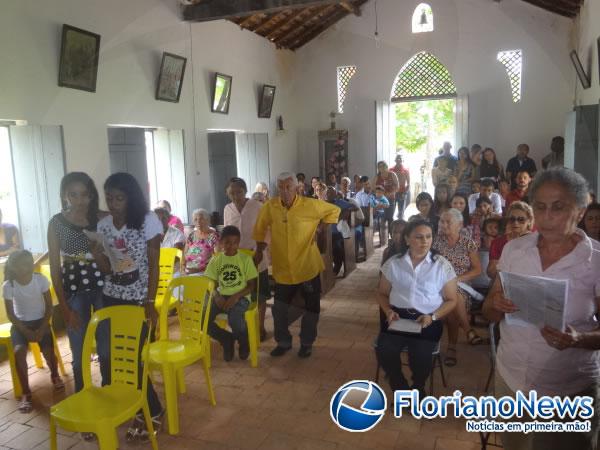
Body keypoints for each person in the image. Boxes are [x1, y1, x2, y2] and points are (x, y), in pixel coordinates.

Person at [482, 167, 600, 450]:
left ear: (580, 211)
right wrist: (496, 304)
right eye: (541, 207)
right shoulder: (514, 250)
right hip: (511, 377)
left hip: (567, 387)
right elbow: (488, 311)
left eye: (558, 208)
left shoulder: (595, 261)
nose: (547, 218)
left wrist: (579, 339)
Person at [95, 172, 164, 438]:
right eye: (109, 198)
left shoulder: (147, 221)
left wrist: (149, 301)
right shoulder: (104, 225)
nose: (113, 204)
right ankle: (130, 408)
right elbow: (106, 269)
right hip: (111, 296)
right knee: (110, 359)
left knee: (132, 360)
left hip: (137, 300)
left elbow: (154, 264)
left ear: (131, 198)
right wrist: (96, 252)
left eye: (119, 198)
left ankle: (152, 410)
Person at [253, 172, 340, 358]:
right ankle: (283, 342)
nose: (284, 191)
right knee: (279, 309)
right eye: (281, 188)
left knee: (312, 308)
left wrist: (321, 228)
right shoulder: (270, 206)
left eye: (288, 187)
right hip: (283, 268)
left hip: (307, 266)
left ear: (296, 188)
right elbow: (260, 229)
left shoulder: (310, 205)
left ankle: (307, 342)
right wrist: (259, 250)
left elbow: (334, 211)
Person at [375, 220, 458, 396]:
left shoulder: (441, 265)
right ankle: (400, 387)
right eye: (418, 237)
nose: (424, 241)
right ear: (407, 239)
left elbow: (451, 300)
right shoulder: (394, 263)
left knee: (420, 355)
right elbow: (382, 294)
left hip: (427, 319)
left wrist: (433, 316)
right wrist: (388, 311)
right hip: (397, 316)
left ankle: (418, 387)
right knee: (385, 350)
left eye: (428, 237)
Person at [47, 172, 108, 399]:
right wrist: (64, 308)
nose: (79, 200)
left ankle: (109, 397)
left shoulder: (103, 219)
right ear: (65, 196)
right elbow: (55, 268)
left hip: (103, 286)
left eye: (84, 194)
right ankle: (83, 402)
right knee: (79, 350)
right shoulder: (56, 223)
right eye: (73, 195)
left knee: (106, 349)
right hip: (74, 290)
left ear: (91, 195)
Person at [3, 250, 64, 413]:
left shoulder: (40, 280)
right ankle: (26, 392)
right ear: (14, 268)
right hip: (20, 325)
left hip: (41, 321)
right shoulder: (9, 285)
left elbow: (50, 307)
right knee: (18, 351)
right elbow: (11, 314)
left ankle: (54, 375)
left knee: (48, 351)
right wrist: (25, 331)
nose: (30, 266)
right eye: (24, 264)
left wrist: (43, 327)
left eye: (30, 262)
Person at [433, 209, 484, 366]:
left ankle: (452, 346)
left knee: (453, 299)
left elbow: (477, 269)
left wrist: (456, 279)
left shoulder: (468, 243)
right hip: (437, 285)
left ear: (460, 225)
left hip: (461, 284)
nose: (444, 225)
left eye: (448, 222)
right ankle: (467, 331)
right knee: (452, 299)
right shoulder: (435, 241)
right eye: (442, 221)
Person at [223, 177, 270, 341]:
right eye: (232, 193)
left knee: (260, 293)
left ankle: (260, 327)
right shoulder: (227, 209)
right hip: (237, 259)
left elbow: (266, 230)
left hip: (256, 255)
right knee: (241, 294)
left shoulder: (257, 206)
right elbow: (227, 233)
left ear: (245, 191)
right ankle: (243, 327)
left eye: (239, 192)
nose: (236, 196)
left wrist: (259, 250)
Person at [204, 226, 257, 361]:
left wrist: (235, 297)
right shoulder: (216, 260)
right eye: (227, 242)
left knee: (234, 319)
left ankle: (244, 341)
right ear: (221, 242)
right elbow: (209, 282)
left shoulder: (245, 259)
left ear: (238, 243)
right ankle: (226, 339)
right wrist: (216, 295)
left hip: (241, 296)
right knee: (202, 320)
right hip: (221, 296)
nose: (231, 246)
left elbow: (252, 285)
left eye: (235, 243)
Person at [487, 201, 534, 279]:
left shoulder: (536, 242)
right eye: (512, 219)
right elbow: (491, 273)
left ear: (529, 221)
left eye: (521, 219)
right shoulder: (498, 242)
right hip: (504, 284)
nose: (516, 223)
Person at [326, 187, 355, 275]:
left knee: (336, 247)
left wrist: (345, 211)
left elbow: (354, 207)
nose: (329, 195)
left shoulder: (340, 202)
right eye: (328, 193)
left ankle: (337, 266)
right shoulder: (323, 203)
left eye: (332, 193)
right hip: (326, 232)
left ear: (335, 194)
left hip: (338, 233)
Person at [183, 209, 219, 275]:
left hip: (205, 271)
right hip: (188, 270)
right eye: (195, 219)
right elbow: (185, 253)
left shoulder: (213, 236)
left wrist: (200, 269)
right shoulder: (191, 235)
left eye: (201, 219)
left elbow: (217, 257)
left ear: (207, 220)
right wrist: (183, 267)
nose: (198, 222)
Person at [375, 161, 399, 233]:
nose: (382, 168)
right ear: (378, 168)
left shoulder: (392, 174)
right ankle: (383, 237)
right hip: (381, 200)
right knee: (382, 218)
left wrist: (391, 193)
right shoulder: (377, 176)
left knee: (390, 218)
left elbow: (397, 187)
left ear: (386, 167)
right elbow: (373, 187)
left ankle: (392, 235)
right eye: (380, 166)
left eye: (383, 166)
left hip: (391, 199)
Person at [390, 154, 410, 220]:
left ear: (402, 160)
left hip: (402, 192)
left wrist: (405, 193)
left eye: (400, 158)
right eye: (397, 158)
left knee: (401, 211)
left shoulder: (406, 170)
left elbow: (408, 183)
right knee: (391, 210)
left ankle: (400, 225)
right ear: (395, 160)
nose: (399, 160)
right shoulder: (391, 170)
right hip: (393, 193)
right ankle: (391, 226)